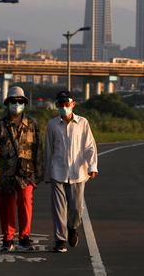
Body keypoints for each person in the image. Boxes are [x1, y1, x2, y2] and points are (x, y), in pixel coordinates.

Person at [0, 86, 43, 252]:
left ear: (24, 103)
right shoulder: (0, 125)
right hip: (5, 172)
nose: (16, 104)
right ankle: (8, 239)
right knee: (6, 206)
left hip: (26, 173)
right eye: (13, 101)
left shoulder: (32, 124)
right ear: (8, 103)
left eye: (19, 101)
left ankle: (24, 238)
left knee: (25, 203)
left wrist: (38, 174)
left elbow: (38, 150)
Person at [44, 90, 98, 253]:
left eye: (66, 104)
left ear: (73, 104)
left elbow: (89, 146)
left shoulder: (82, 123)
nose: (63, 107)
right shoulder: (52, 125)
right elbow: (48, 149)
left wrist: (92, 166)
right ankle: (60, 240)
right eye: (60, 104)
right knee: (58, 208)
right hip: (57, 171)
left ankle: (73, 228)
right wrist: (47, 173)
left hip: (77, 172)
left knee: (76, 208)